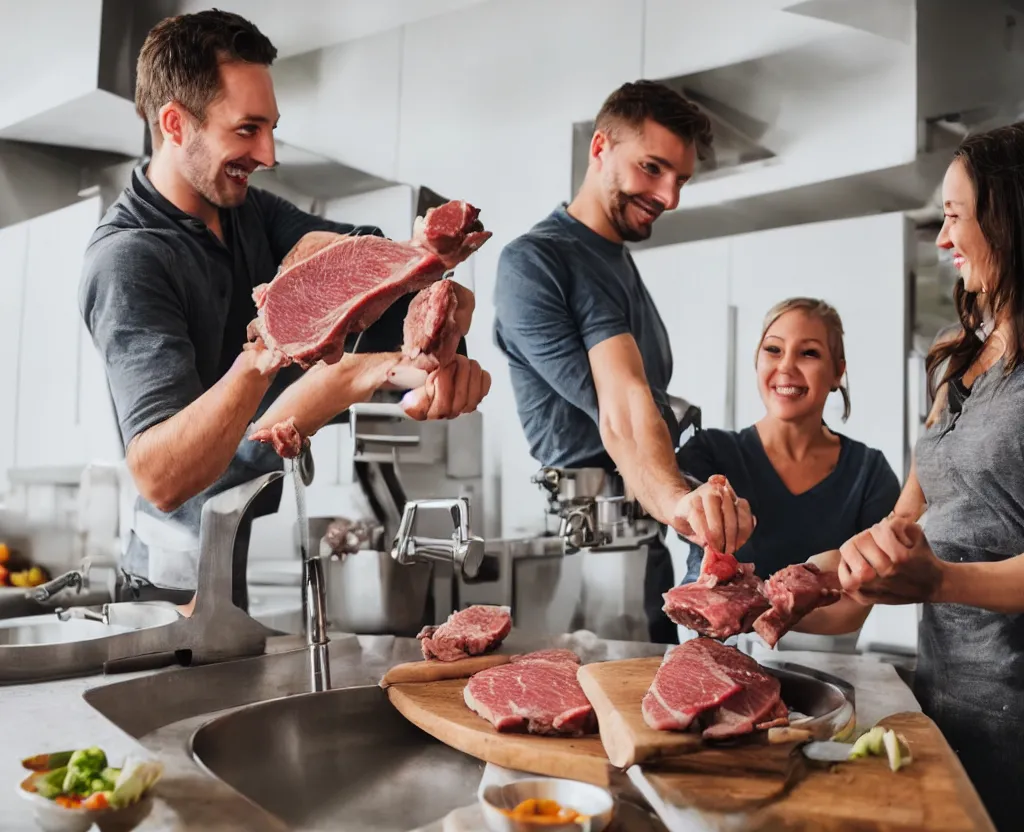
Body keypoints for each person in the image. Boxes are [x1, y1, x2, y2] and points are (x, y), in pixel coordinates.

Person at [79, 10, 490, 612]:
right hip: (168, 583)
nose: (267, 153)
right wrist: (268, 352)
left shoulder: (250, 213)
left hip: (240, 536)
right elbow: (160, 476)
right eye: (247, 130)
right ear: (174, 123)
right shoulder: (129, 259)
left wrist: (440, 311)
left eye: (271, 128)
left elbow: (355, 272)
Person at [799, 122, 1024, 831]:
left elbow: (932, 569)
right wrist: (807, 584)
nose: (942, 239)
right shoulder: (959, 356)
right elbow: (900, 528)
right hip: (944, 704)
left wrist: (945, 581)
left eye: (956, 215)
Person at [493, 80, 754, 644]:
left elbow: (652, 405)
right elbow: (624, 413)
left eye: (680, 179)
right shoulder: (539, 261)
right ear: (600, 148)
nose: (670, 196)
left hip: (641, 542)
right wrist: (680, 503)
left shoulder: (613, 260)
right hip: (585, 555)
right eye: (653, 168)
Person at [675, 298, 900, 600]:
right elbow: (672, 509)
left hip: (823, 647)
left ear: (837, 372)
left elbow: (866, 596)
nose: (786, 366)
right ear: (757, 360)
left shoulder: (869, 474)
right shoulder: (708, 452)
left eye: (809, 353)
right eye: (773, 350)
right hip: (710, 644)